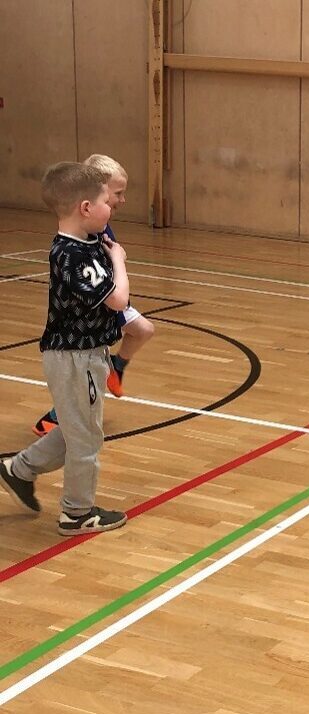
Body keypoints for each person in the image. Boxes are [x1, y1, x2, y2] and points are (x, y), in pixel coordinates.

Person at [0, 162, 130, 535]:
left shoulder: (87, 244)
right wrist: (118, 262)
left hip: (87, 355)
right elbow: (118, 300)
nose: (113, 208)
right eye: (107, 201)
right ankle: (76, 512)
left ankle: (18, 470)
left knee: (79, 428)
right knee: (86, 437)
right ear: (86, 208)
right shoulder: (72, 255)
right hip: (74, 358)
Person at [32, 154, 154, 436]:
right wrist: (117, 264)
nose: (122, 200)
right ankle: (55, 416)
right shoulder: (77, 238)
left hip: (105, 292)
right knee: (81, 379)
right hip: (93, 307)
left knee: (143, 331)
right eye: (117, 193)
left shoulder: (100, 221)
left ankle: (116, 367)